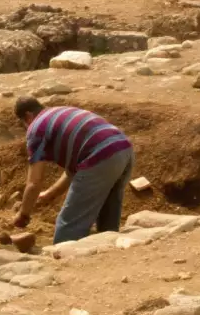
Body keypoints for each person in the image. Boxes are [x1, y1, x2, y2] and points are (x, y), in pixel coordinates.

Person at [12, 97, 134, 244]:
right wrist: (49, 194)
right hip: (124, 149)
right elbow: (73, 171)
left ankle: (64, 262)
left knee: (69, 225)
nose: (26, 128)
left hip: (99, 156)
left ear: (28, 116)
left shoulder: (36, 128)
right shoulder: (58, 113)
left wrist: (23, 215)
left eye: (24, 124)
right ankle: (108, 256)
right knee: (108, 214)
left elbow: (34, 182)